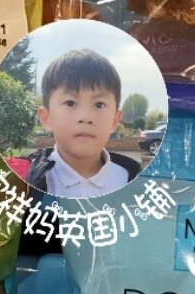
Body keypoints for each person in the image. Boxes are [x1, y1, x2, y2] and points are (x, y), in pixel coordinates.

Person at [19, 48, 142, 199]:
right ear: (46, 118)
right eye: (70, 103)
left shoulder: (136, 183)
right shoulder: (21, 181)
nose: (85, 117)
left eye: (99, 105)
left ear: (115, 120)